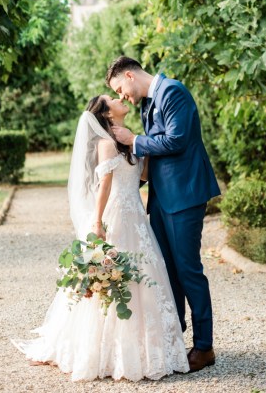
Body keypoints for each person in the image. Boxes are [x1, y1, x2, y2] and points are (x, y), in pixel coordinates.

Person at [12, 95, 189, 381]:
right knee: (115, 277)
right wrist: (97, 223)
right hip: (116, 216)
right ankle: (110, 352)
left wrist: (141, 144)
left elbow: (144, 174)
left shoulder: (128, 141)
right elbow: (103, 185)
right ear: (106, 113)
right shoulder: (106, 145)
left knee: (145, 276)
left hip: (136, 219)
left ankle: (150, 349)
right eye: (113, 99)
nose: (121, 99)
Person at [106, 56, 221, 373]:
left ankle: (204, 346)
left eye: (120, 88)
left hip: (184, 195)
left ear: (129, 75)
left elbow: (177, 139)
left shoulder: (173, 91)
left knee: (188, 270)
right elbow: (155, 152)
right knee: (167, 272)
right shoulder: (147, 102)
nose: (122, 97)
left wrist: (134, 140)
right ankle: (174, 341)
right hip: (160, 198)